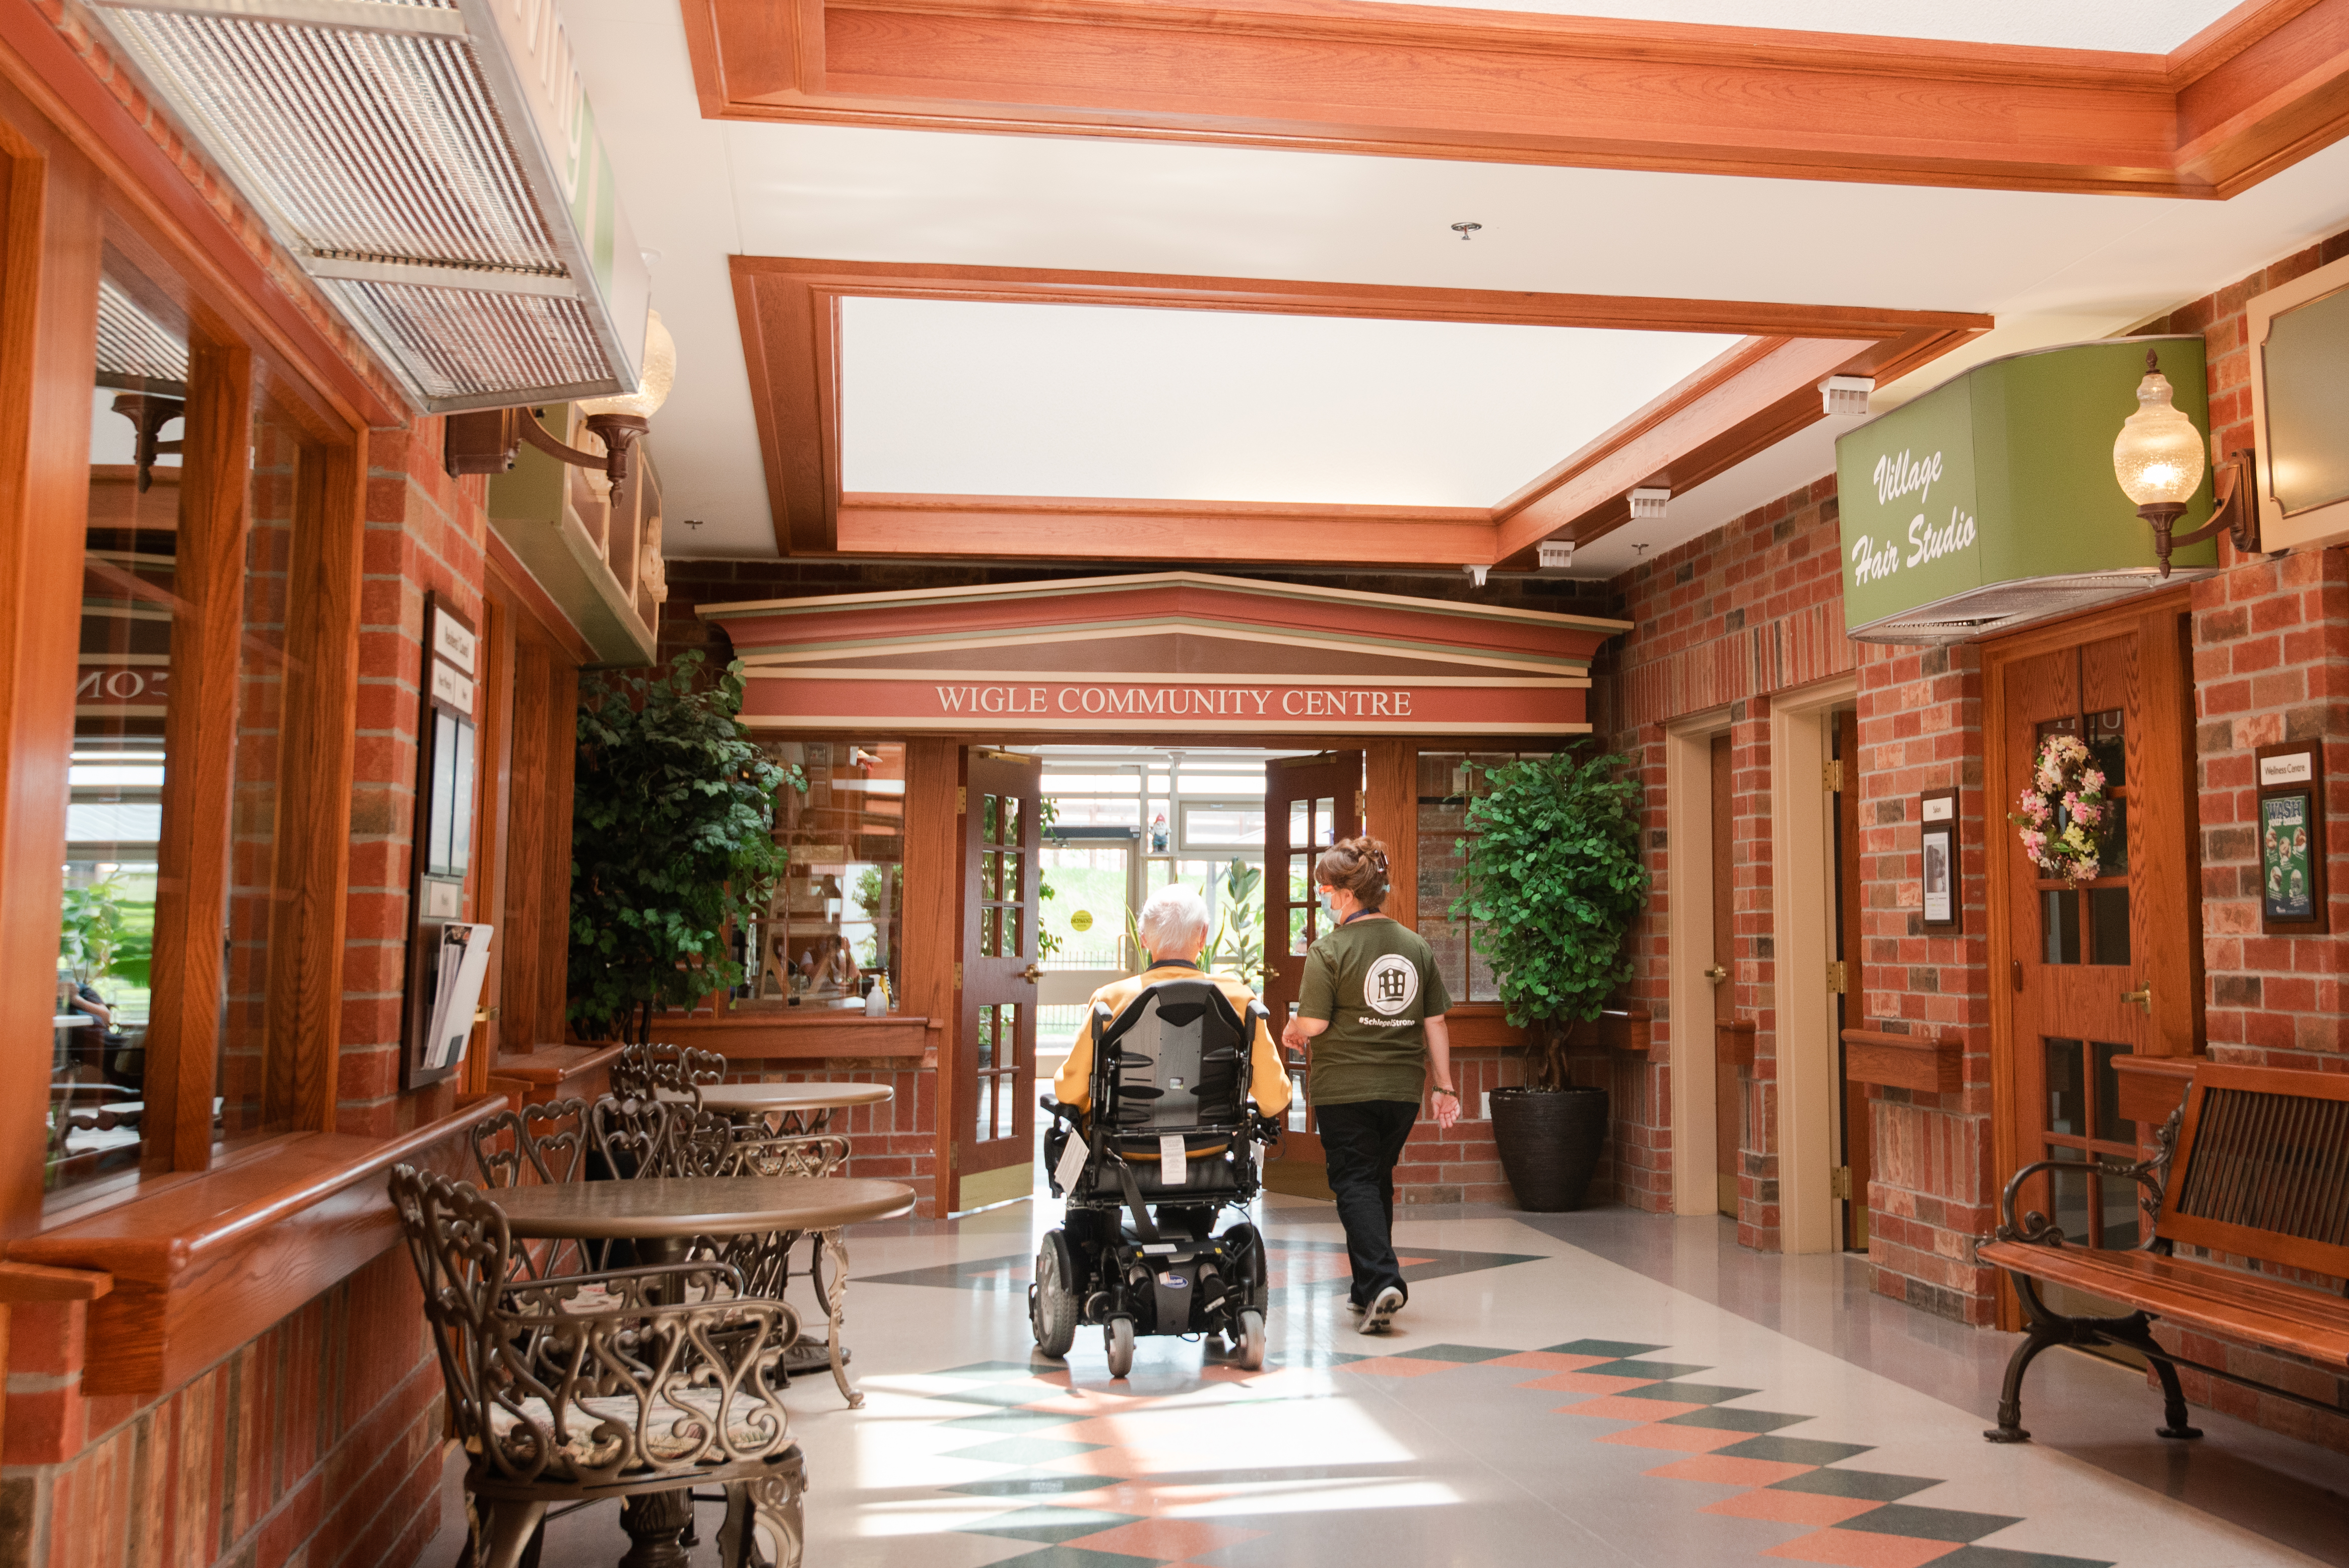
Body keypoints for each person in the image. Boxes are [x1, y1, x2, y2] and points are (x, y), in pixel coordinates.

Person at [1282, 835, 1458, 1335]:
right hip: (1402, 1090)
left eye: (1323, 887)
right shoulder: (1414, 944)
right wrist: (1444, 1087)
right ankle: (1366, 1293)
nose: (1320, 894)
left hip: (1347, 1087)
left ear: (1345, 894)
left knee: (1353, 1181)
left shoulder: (1330, 948)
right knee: (1376, 1179)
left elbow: (1313, 1023)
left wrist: (1293, 1029)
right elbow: (1436, 1022)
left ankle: (1384, 1278)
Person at [1054, 883, 1291, 1245]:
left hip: (1123, 1149)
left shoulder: (1111, 999)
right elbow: (1274, 1099)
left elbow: (1071, 1091)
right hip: (1208, 1147)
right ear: (1203, 938)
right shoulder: (1239, 998)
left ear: (1144, 939)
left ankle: (1090, 1246)